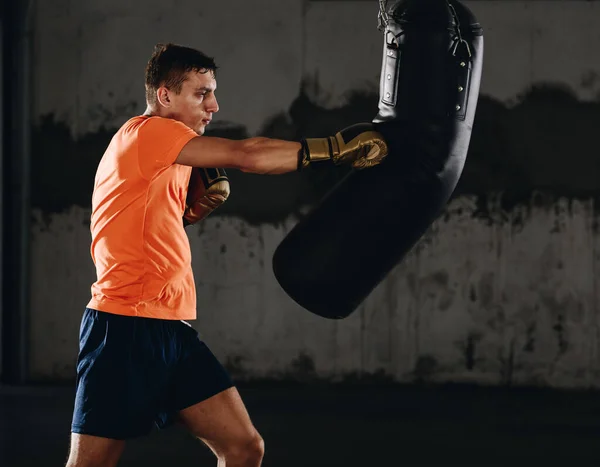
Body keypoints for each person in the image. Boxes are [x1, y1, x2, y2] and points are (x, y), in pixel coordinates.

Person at [66, 43, 387, 467]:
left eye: (212, 92)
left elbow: (134, 224)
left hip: (170, 329)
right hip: (123, 327)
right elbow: (246, 155)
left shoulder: (169, 153)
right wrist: (334, 149)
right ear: (164, 96)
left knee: (243, 448)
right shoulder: (148, 133)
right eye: (201, 94)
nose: (214, 105)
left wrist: (181, 214)